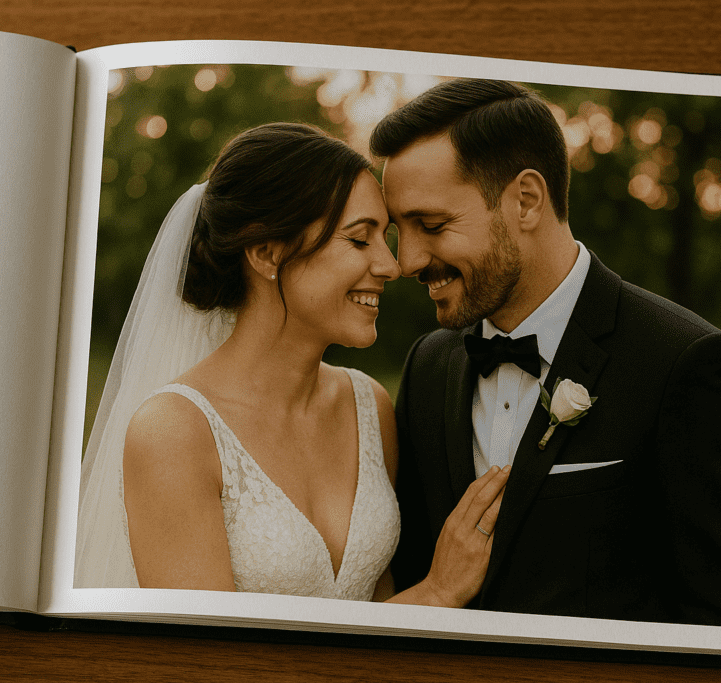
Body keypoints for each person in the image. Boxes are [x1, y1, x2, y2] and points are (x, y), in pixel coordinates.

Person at [372, 79, 721, 628]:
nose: (407, 262)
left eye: (431, 225)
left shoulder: (687, 366)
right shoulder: (429, 366)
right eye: (397, 230)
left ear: (526, 200)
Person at [75, 122, 508, 607]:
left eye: (383, 238)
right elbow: (206, 661)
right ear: (266, 253)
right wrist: (439, 591)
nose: (391, 265)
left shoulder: (369, 406)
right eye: (360, 240)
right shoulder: (174, 433)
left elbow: (376, 604)